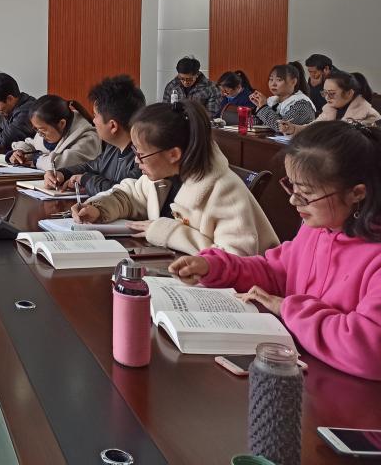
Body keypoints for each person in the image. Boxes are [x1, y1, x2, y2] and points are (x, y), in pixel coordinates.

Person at [169, 122, 381, 379]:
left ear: (356, 193)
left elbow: (369, 349)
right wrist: (215, 267)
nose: (293, 199)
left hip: (348, 392)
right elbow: (275, 271)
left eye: (306, 193)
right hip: (298, 369)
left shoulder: (373, 255)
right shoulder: (317, 228)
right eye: (292, 186)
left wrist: (287, 308)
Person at [72, 101, 278, 256]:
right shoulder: (165, 175)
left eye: (141, 154)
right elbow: (131, 196)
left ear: (173, 154)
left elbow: (237, 260)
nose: (136, 161)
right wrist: (98, 208)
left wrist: (168, 232)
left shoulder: (224, 191)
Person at [44, 75, 146, 194]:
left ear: (113, 126)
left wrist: (85, 180)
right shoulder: (113, 148)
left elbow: (121, 192)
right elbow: (91, 166)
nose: (93, 121)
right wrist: (62, 173)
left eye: (95, 115)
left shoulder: (143, 157)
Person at [8, 95, 101, 171]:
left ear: (61, 124)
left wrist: (36, 159)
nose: (39, 134)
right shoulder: (45, 130)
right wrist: (20, 152)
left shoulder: (88, 138)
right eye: (36, 129)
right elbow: (33, 145)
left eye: (42, 129)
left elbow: (61, 163)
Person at [280, 71, 379, 134]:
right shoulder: (330, 109)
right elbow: (312, 128)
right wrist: (293, 128)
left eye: (331, 93)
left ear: (349, 93)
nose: (327, 97)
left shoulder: (369, 115)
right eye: (324, 93)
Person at [249, 62, 315, 133]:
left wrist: (262, 107)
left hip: (298, 140)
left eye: (279, 80)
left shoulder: (302, 103)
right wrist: (258, 106)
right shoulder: (273, 100)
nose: (273, 84)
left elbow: (282, 128)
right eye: (271, 79)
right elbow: (261, 123)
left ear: (293, 82)